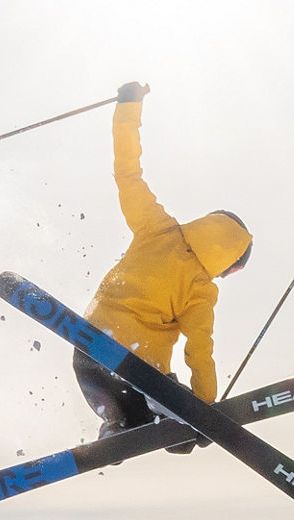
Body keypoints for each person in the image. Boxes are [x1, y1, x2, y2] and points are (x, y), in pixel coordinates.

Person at [74, 81, 253, 449]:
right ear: (230, 264)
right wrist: (204, 406)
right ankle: (162, 412)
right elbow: (200, 349)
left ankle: (116, 422)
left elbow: (128, 173)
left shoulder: (157, 227)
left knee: (119, 406)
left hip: (89, 347)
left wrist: (129, 107)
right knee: (176, 429)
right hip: (142, 372)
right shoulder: (200, 290)